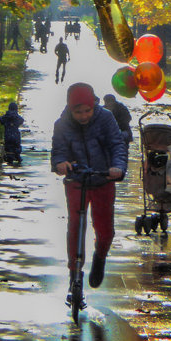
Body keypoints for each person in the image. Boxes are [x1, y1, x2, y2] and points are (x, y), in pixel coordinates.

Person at [51, 83, 127, 303]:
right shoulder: (62, 125)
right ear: (70, 109)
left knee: (105, 231)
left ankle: (100, 256)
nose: (83, 116)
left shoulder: (106, 119)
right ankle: (74, 276)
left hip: (103, 179)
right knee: (76, 225)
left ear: (94, 105)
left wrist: (118, 168)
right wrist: (60, 164)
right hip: (77, 180)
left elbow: (117, 145)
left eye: (87, 110)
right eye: (78, 112)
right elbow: (58, 151)